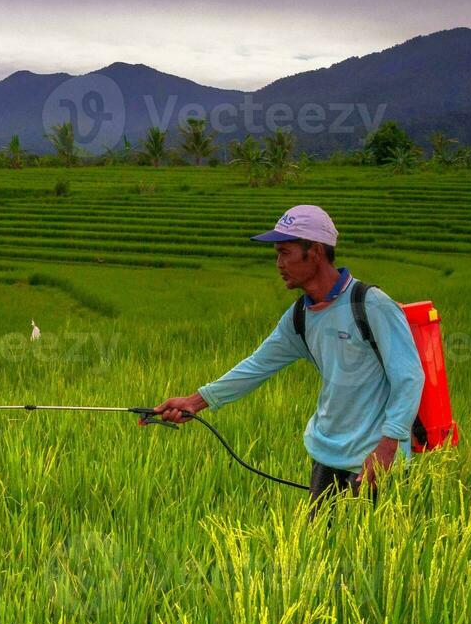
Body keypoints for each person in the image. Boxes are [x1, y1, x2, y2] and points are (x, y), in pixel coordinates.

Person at [155, 204, 425, 519]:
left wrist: (388, 446)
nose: (278, 263)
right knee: (319, 554)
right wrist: (194, 402)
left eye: (285, 252)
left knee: (370, 558)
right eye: (276, 254)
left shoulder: (371, 305)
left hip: (375, 458)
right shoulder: (300, 316)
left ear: (316, 252)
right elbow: (257, 366)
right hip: (327, 455)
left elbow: (409, 377)